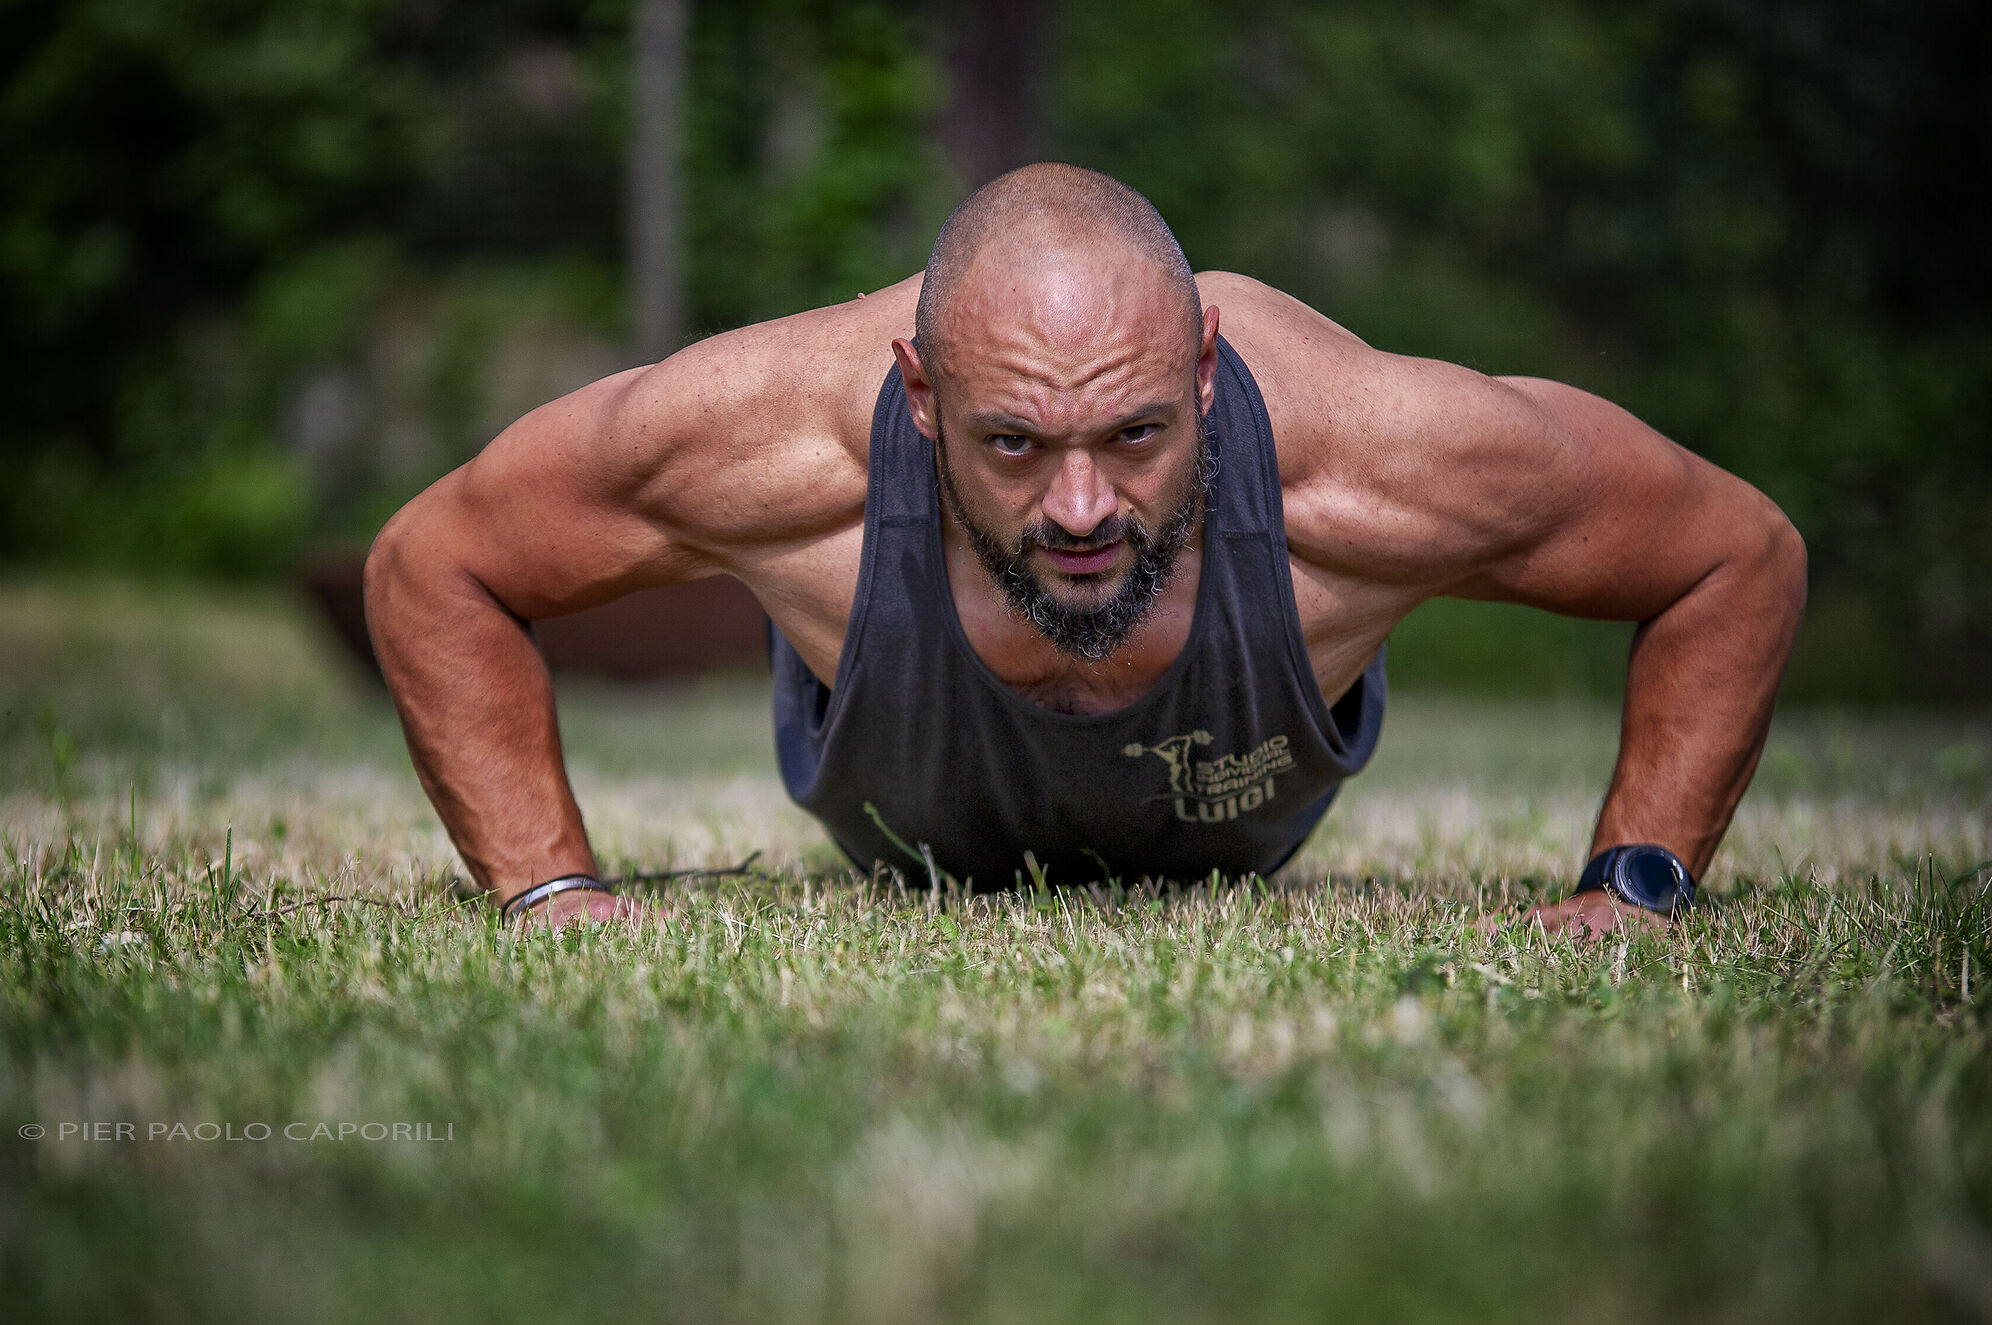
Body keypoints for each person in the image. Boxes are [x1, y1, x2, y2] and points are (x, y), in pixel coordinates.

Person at [364, 164, 1804, 933]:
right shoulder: (775, 446)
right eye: (1012, 445)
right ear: (922, 399)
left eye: (1132, 438)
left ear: (1202, 367)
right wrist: (550, 891)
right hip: (895, 822)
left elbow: (1733, 554)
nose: (1078, 508)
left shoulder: (1372, 455)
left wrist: (1640, 881)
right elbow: (437, 562)